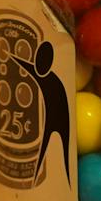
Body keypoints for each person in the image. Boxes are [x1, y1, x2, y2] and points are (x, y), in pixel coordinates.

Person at [25, 37, 70, 184]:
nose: (39, 65)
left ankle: (66, 181)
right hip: (49, 119)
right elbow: (27, 66)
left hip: (63, 120)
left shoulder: (54, 79)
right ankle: (38, 180)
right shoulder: (46, 75)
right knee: (44, 151)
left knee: (64, 152)